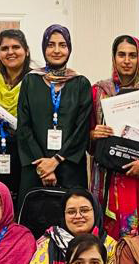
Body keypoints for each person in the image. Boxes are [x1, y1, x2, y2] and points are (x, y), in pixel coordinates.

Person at [90, 34, 139, 238]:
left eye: (132, 55)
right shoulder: (99, 92)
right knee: (109, 231)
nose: (126, 61)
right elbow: (85, 133)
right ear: (114, 58)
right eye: (121, 55)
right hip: (109, 175)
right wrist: (93, 133)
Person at [16, 24, 94, 195]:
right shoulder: (30, 81)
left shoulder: (81, 83)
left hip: (69, 167)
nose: (57, 50)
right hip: (36, 166)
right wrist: (44, 166)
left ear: (69, 48)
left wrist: (56, 161)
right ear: (44, 48)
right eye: (51, 45)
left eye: (62, 45)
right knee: (34, 216)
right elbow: (24, 125)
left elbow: (81, 130)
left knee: (73, 217)